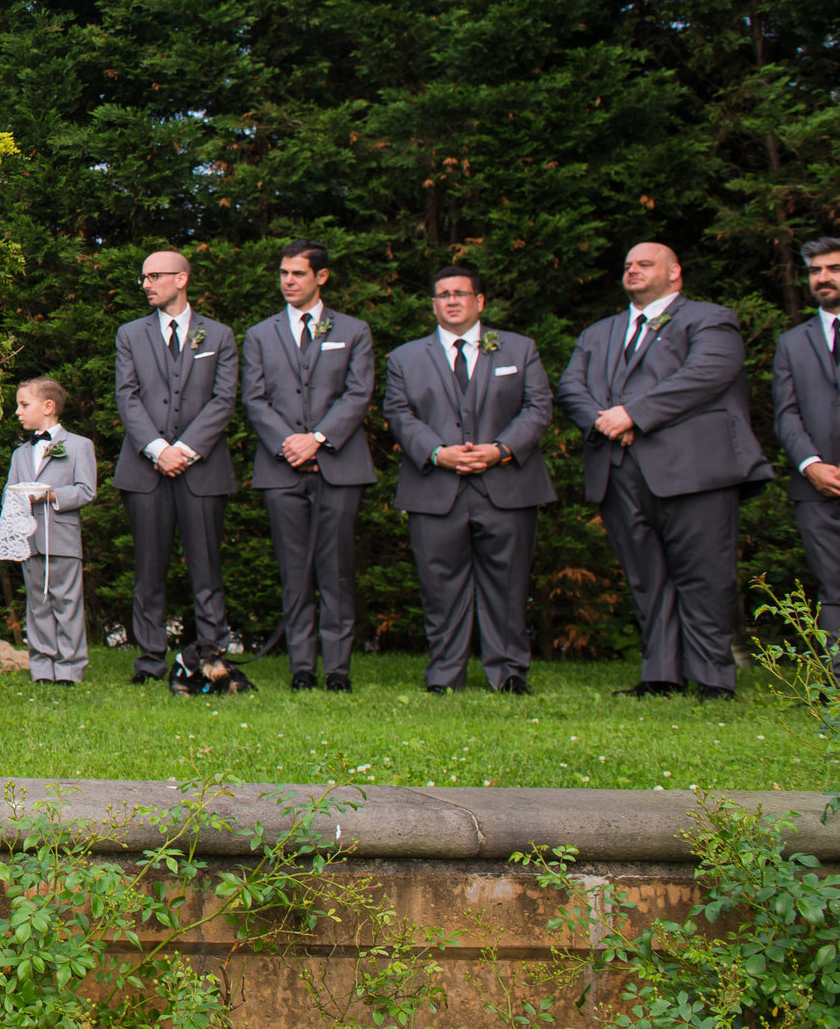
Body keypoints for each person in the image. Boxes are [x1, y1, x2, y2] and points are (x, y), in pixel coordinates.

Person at [556, 242, 770, 700]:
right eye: (628, 264)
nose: (632, 270)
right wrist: (605, 421)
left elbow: (705, 376)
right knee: (645, 575)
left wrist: (633, 414)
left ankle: (713, 677)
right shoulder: (599, 333)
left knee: (705, 574)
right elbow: (572, 386)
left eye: (644, 264)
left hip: (693, 468)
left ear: (675, 273)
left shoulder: (710, 320)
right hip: (620, 469)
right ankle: (660, 673)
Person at [381, 265, 556, 694]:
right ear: (433, 304)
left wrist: (501, 449)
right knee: (440, 587)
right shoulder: (405, 357)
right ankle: (445, 675)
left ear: (480, 301)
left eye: (461, 293)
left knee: (509, 585)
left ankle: (510, 672)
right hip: (435, 489)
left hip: (507, 486)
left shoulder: (519, 349)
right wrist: (438, 453)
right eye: (443, 294)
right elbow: (399, 414)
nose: (452, 300)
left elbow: (537, 408)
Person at [240, 240, 377, 692]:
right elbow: (254, 399)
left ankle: (338, 669)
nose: (288, 281)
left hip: (338, 465)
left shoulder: (353, 331)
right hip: (281, 468)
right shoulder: (260, 334)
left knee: (336, 567)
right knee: (293, 568)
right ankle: (302, 666)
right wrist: (288, 444)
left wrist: (317, 440)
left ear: (321, 277)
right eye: (283, 273)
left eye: (297, 274)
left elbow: (358, 394)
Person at [110, 249, 239, 685]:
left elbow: (224, 400)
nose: (146, 284)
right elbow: (127, 396)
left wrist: (183, 449)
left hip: (202, 469)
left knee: (206, 569)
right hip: (145, 470)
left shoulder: (218, 336)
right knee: (148, 571)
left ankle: (211, 660)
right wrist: (156, 449)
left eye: (155, 276)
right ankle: (149, 661)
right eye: (143, 277)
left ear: (181, 279)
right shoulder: (130, 334)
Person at [0, 377, 95, 684]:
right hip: (30, 539)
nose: (17, 412)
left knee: (67, 604)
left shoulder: (79, 446)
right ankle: (41, 669)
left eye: (24, 405)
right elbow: (10, 493)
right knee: (38, 604)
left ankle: (70, 668)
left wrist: (50, 494)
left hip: (62, 539)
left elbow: (86, 491)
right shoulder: (20, 453)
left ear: (48, 407)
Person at [770, 236, 840, 650]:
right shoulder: (791, 343)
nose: (824, 278)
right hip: (816, 486)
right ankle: (836, 683)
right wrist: (810, 464)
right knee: (833, 583)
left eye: (833, 268)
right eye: (816, 271)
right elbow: (786, 413)